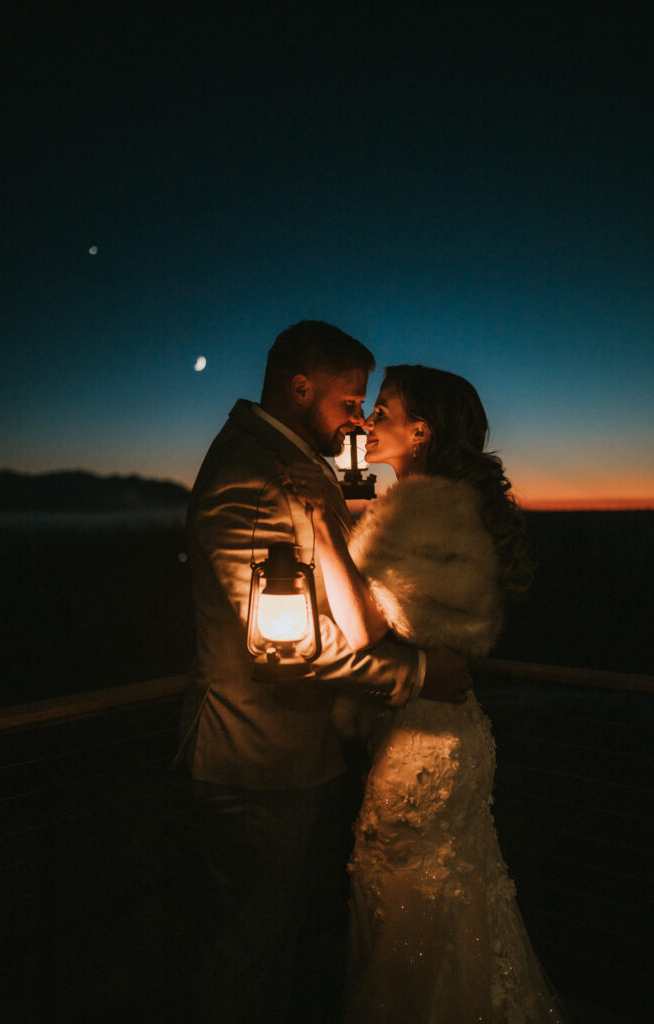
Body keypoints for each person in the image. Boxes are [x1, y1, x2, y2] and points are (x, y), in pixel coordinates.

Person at [175, 323, 471, 1024]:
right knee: (248, 952)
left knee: (276, 946)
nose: (357, 418)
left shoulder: (288, 465)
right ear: (299, 387)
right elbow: (288, 648)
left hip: (296, 757)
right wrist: (416, 675)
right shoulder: (252, 477)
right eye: (350, 399)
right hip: (258, 761)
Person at [285, 365, 568, 1023]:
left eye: (381, 410)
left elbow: (360, 629)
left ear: (421, 430)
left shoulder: (416, 511)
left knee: (410, 929)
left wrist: (319, 524)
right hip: (453, 735)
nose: (366, 421)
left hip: (421, 751)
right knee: (456, 913)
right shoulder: (432, 505)